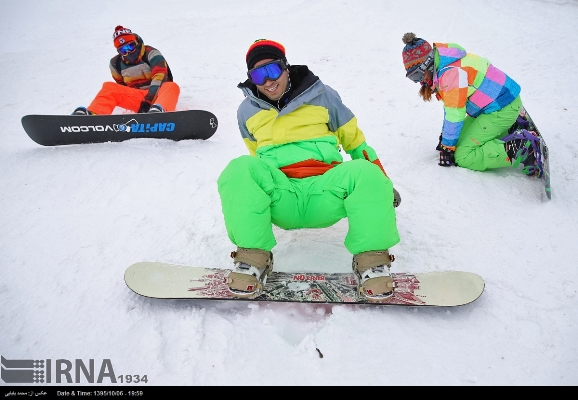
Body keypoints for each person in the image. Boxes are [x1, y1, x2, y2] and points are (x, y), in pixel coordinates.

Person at [217, 39, 401, 301]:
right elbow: (255, 156)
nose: (268, 81)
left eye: (272, 70)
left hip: (326, 189)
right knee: (240, 169)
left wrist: (382, 183)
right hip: (282, 194)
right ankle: (252, 259)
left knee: (365, 171)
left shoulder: (323, 95)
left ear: (285, 67)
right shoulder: (246, 111)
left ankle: (372, 264)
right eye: (258, 75)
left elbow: (356, 142)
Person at [401, 32, 543, 175]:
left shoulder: (450, 74)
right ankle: (511, 126)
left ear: (428, 63)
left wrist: (447, 146)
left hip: (501, 109)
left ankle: (525, 149)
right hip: (496, 105)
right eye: (413, 78)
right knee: (457, 143)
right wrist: (446, 139)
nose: (419, 81)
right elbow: (451, 108)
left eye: (418, 75)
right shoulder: (446, 62)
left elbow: (455, 113)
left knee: (463, 156)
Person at [72, 26, 179, 115]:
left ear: (136, 43)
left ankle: (160, 113)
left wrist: (148, 102)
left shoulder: (151, 53)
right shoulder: (115, 64)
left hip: (159, 96)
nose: (128, 52)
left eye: (130, 47)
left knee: (171, 86)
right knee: (109, 87)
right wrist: (141, 103)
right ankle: (93, 115)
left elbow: (160, 77)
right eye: (124, 50)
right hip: (138, 99)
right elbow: (122, 88)